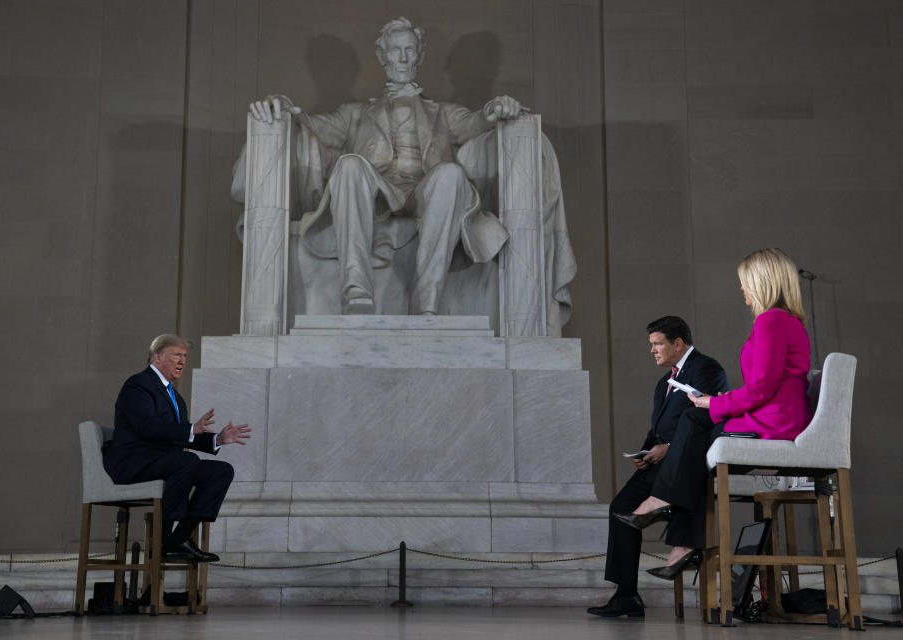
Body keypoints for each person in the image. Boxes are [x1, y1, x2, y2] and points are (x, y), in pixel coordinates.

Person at [237, 17, 560, 316]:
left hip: (425, 191)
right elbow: (308, 123)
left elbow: (478, 122)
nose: (403, 58)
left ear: (419, 56)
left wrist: (497, 106)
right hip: (377, 193)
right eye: (395, 50)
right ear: (383, 56)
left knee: (450, 173)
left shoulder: (443, 113)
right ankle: (356, 290)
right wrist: (279, 103)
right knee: (349, 165)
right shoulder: (353, 114)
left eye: (410, 50)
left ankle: (427, 298)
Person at [615, 248, 812, 581]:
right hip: (774, 415)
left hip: (774, 422)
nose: (742, 289)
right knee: (694, 438)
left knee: (693, 427)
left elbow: (761, 389)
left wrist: (714, 404)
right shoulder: (785, 321)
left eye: (744, 282)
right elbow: (765, 385)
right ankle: (679, 541)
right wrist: (716, 403)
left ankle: (663, 508)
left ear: (762, 282)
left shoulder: (772, 320)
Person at [587, 316, 727, 618]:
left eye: (657, 343)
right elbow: (659, 427)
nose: (652, 350)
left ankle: (683, 545)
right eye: (651, 345)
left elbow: (704, 420)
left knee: (651, 503)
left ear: (677, 343)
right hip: (659, 462)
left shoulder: (707, 368)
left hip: (686, 462)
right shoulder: (664, 381)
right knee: (620, 508)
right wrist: (647, 450)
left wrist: (669, 449)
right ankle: (626, 595)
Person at [103, 334, 252, 562]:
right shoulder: (138, 385)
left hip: (163, 462)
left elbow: (181, 435)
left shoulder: (175, 397)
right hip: (133, 463)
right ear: (157, 357)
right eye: (176, 355)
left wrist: (217, 440)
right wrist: (191, 429)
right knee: (187, 461)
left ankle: (178, 538)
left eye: (184, 356)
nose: (182, 361)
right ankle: (162, 539)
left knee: (221, 471)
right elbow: (147, 428)